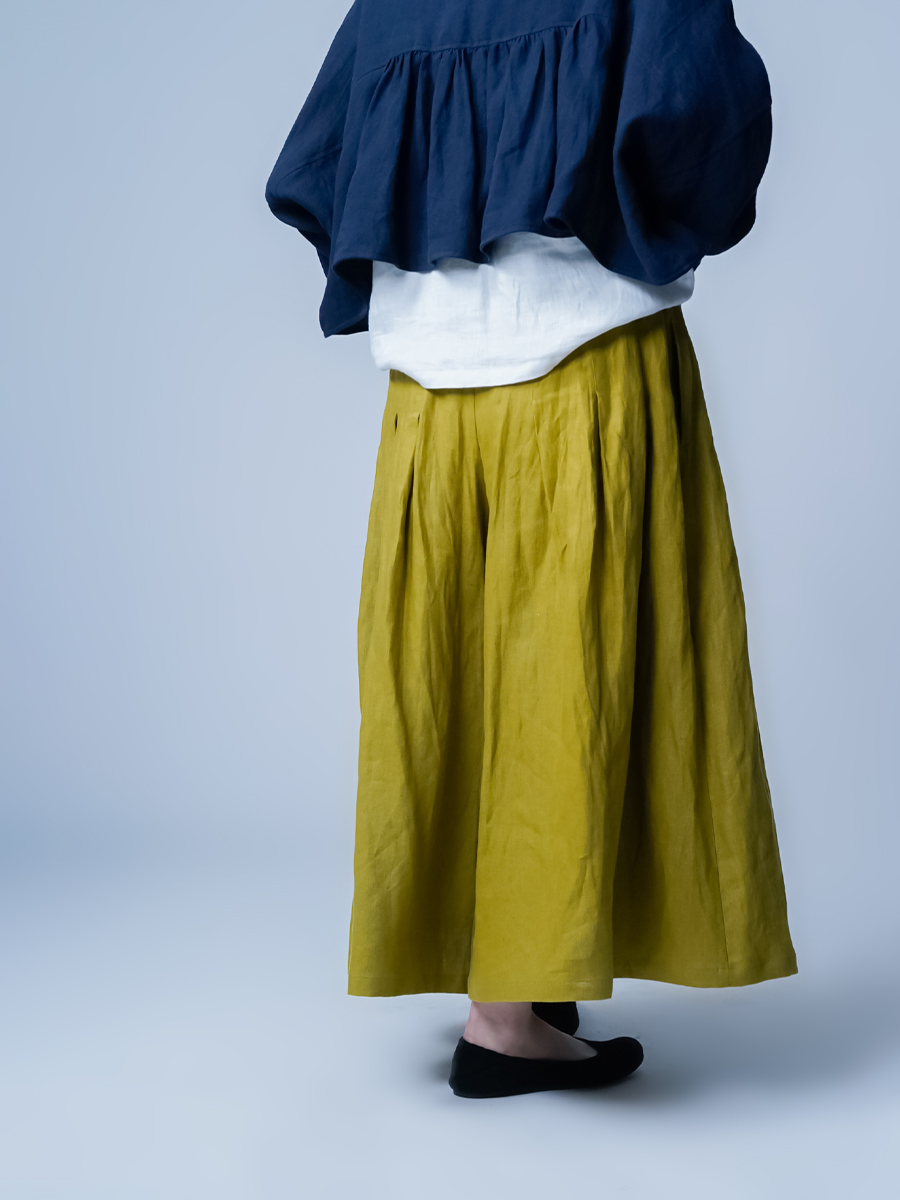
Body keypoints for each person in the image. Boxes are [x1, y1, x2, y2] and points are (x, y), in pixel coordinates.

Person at [266, 0, 797, 1099]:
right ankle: (506, 1025)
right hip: (584, 361)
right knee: (573, 675)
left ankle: (516, 972)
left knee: (454, 677)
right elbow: (701, 117)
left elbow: (318, 164)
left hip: (430, 401)